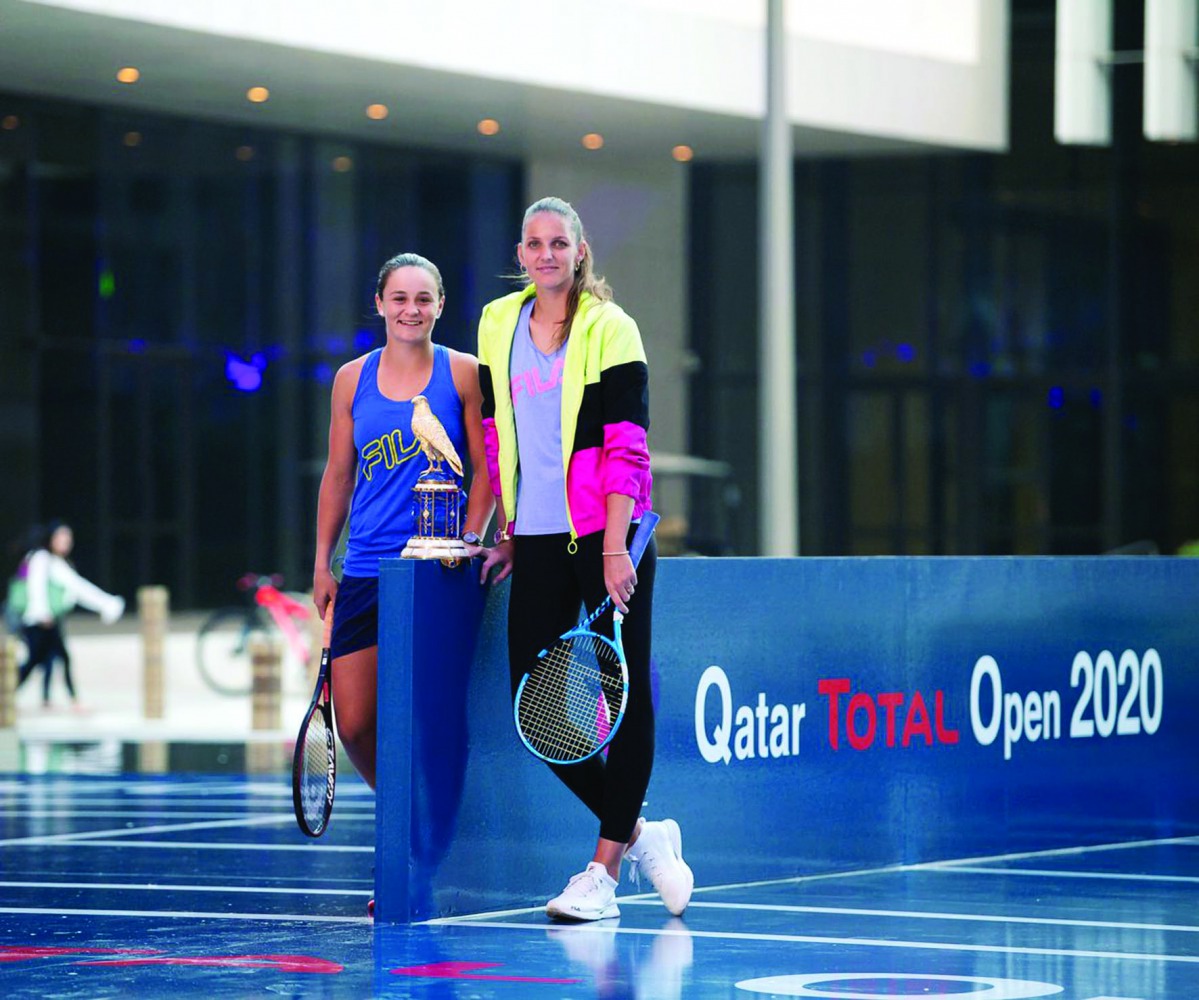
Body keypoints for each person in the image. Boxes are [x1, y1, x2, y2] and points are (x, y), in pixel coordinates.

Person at [475, 196, 693, 921]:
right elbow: (494, 431)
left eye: (557, 243)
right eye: (533, 243)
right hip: (534, 539)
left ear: (578, 251)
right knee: (537, 717)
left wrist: (611, 546)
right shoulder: (496, 324)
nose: (545, 255)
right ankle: (641, 833)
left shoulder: (610, 327)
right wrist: (504, 526)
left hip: (606, 539)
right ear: (521, 253)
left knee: (619, 706)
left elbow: (628, 445)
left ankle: (600, 874)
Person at [312, 252, 494, 791]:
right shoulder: (351, 379)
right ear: (380, 305)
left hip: (436, 573)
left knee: (433, 716)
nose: (410, 310)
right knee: (355, 721)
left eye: (422, 299)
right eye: (399, 299)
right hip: (367, 569)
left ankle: (432, 824)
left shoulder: (463, 372)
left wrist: (468, 538)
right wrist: (322, 563)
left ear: (440, 305)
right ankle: (405, 810)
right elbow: (339, 476)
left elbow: (488, 469)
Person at [10, 521, 124, 709]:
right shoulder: (41, 558)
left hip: (48, 621)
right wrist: (42, 613)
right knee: (39, 662)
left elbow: (79, 588)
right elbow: (35, 587)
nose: (66, 541)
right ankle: (70, 701)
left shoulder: (57, 562)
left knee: (50, 659)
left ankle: (68, 700)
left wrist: (106, 604)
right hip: (38, 621)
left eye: (68, 538)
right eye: (61, 537)